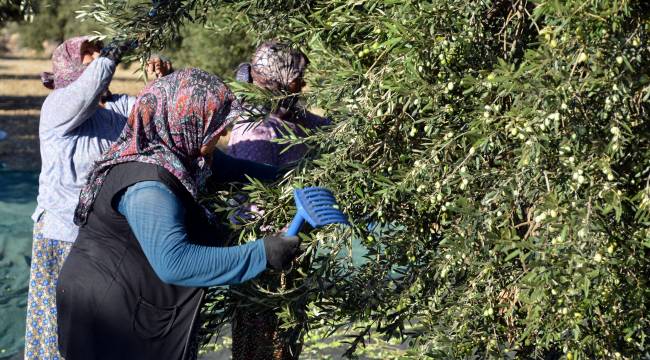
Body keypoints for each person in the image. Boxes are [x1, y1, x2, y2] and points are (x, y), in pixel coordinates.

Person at [56, 68, 301, 360]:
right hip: (109, 319)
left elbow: (235, 170)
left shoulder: (178, 151)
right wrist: (263, 253)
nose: (222, 133)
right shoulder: (148, 188)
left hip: (130, 300)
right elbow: (176, 263)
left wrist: (296, 176)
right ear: (188, 120)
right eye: (217, 124)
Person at [26, 35, 172, 360]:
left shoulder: (117, 108)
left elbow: (160, 113)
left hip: (108, 240)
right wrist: (111, 55)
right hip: (63, 238)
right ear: (71, 66)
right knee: (59, 334)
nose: (97, 55)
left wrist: (161, 81)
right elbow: (87, 89)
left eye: (98, 49)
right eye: (89, 51)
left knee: (99, 336)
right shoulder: (57, 108)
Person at [227, 41, 330, 360]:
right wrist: (283, 245)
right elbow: (255, 205)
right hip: (267, 255)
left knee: (285, 344)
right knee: (263, 345)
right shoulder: (256, 128)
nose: (303, 82)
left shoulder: (288, 113)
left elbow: (325, 128)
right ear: (278, 77)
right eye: (298, 75)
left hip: (292, 247)